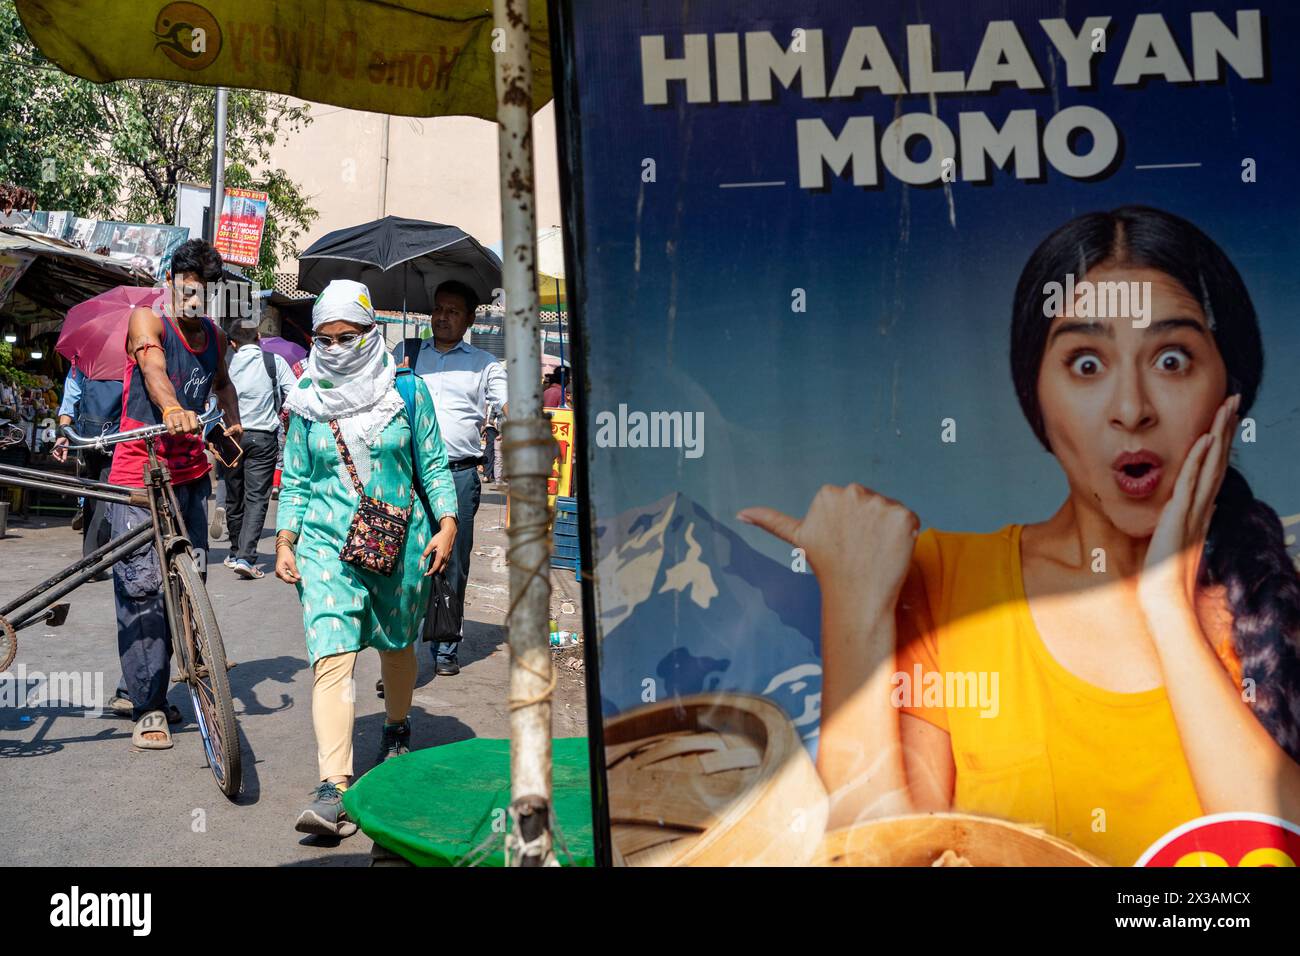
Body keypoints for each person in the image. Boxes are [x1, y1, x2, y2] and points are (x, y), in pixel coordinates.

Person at [740, 206, 1300, 866]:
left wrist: (1166, 608)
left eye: (1172, 359)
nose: (1131, 409)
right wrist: (855, 604)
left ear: (1231, 393)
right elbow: (878, 861)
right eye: (1086, 364)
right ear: (1035, 393)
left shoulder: (1276, 603)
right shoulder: (946, 579)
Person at [275, 280, 458, 838]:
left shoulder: (407, 391)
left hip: (400, 542)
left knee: (398, 643)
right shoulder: (309, 397)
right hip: (328, 546)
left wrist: (447, 524)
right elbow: (298, 480)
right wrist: (285, 539)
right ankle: (335, 784)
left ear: (369, 334)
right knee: (332, 652)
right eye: (323, 339)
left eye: (346, 337)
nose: (333, 349)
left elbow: (432, 464)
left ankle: (397, 727)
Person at [106, 239, 243, 749]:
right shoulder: (147, 320)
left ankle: (148, 680)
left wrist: (232, 421)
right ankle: (147, 707)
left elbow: (223, 384)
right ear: (172, 282)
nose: (194, 302)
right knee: (142, 587)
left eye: (202, 294)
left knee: (188, 585)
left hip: (189, 478)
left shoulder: (214, 336)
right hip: (138, 474)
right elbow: (154, 370)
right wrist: (169, 409)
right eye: (187, 290)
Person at [394, 280, 507, 676]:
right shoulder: (405, 354)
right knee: (399, 560)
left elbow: (505, 401)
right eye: (438, 309)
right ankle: (398, 653)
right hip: (405, 474)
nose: (442, 317)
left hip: (457, 474)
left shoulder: (484, 364)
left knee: (452, 563)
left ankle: (444, 647)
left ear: (470, 319)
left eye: (453, 311)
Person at [221, 321, 294, 578]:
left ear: (232, 343)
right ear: (259, 337)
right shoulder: (274, 362)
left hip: (230, 437)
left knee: (233, 495)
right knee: (256, 498)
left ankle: (234, 551)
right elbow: (294, 396)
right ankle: (246, 557)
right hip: (263, 437)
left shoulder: (224, 364)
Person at [52, 363, 121, 564]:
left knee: (93, 487)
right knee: (107, 491)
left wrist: (63, 431)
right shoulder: (134, 352)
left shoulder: (86, 356)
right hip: (120, 433)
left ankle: (90, 555)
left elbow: (72, 393)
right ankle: (93, 555)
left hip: (90, 432)